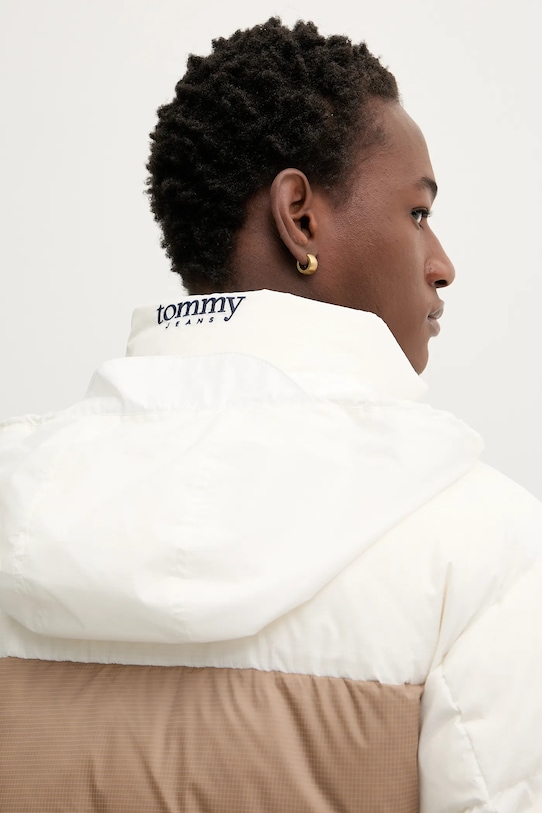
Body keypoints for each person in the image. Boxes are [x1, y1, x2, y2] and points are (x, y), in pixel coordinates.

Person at [0, 17, 541, 813]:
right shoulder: (481, 544)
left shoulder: (14, 492)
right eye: (418, 213)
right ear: (300, 216)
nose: (442, 264)